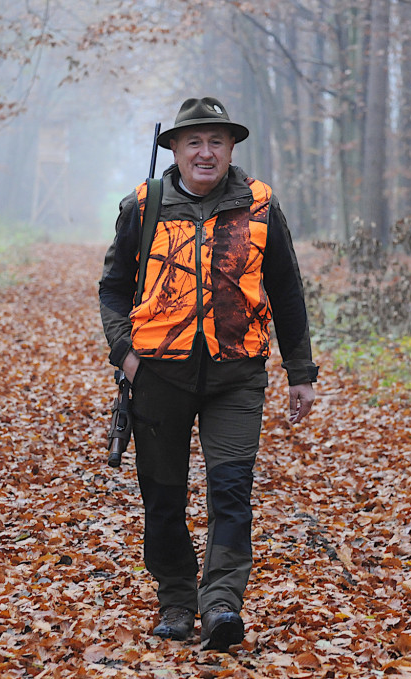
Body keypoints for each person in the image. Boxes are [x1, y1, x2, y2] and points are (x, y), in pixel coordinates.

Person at [98, 97, 318, 650]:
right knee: (164, 497)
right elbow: (113, 289)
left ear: (231, 148)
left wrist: (300, 369)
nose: (205, 152)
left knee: (230, 492)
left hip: (236, 375)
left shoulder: (260, 206)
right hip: (158, 376)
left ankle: (221, 604)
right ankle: (175, 600)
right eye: (193, 141)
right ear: (172, 148)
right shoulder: (143, 206)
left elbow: (288, 290)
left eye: (215, 141)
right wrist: (125, 354)